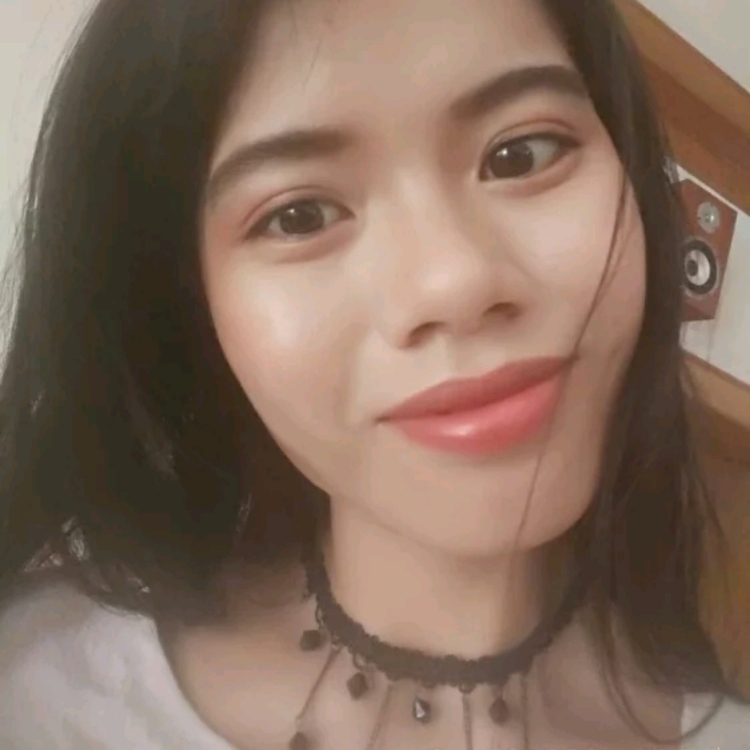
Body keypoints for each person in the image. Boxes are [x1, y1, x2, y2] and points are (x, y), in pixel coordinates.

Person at [0, 0, 747, 747]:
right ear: (188, 300)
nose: (454, 282)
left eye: (520, 154)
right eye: (299, 215)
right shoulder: (36, 687)